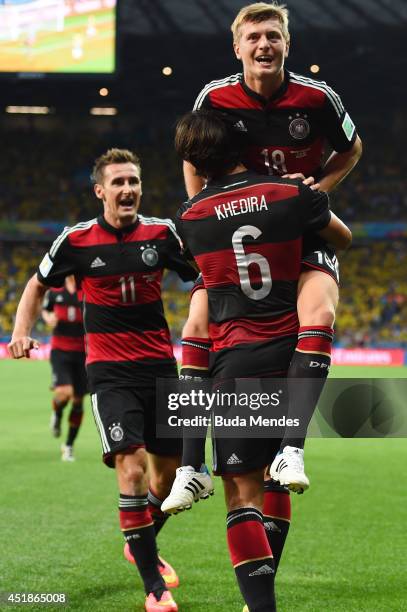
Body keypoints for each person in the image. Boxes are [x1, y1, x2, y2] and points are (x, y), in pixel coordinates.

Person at [168, 0, 362, 503]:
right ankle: (191, 467)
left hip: (298, 222)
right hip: (236, 229)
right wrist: (198, 211)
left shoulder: (318, 99)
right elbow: (193, 154)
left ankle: (291, 450)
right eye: (254, 38)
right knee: (195, 322)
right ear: (237, 48)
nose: (264, 45)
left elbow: (352, 148)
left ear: (287, 44)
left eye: (273, 36)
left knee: (319, 310)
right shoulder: (215, 97)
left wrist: (319, 187)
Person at [170, 109, 352, 611]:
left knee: (242, 494)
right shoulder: (290, 193)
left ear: (193, 159)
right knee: (277, 481)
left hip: (234, 360)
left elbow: (205, 280)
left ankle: (260, 605)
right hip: (294, 354)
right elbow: (343, 238)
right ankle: (290, 450)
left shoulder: (190, 218)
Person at [7, 148, 198, 612]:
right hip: (109, 373)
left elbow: (202, 279)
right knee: (130, 468)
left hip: (159, 368)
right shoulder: (76, 241)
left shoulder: (163, 234)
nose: (127, 189)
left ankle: (141, 538)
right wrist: (20, 331)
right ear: (100, 191)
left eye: (133, 181)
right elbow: (37, 283)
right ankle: (153, 587)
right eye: (118, 182)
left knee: (169, 477)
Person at [42, 275, 87, 462]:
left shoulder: (87, 289)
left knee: (77, 401)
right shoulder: (54, 290)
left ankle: (68, 446)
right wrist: (48, 317)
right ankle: (58, 413)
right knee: (64, 393)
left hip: (84, 352)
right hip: (60, 350)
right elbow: (45, 309)